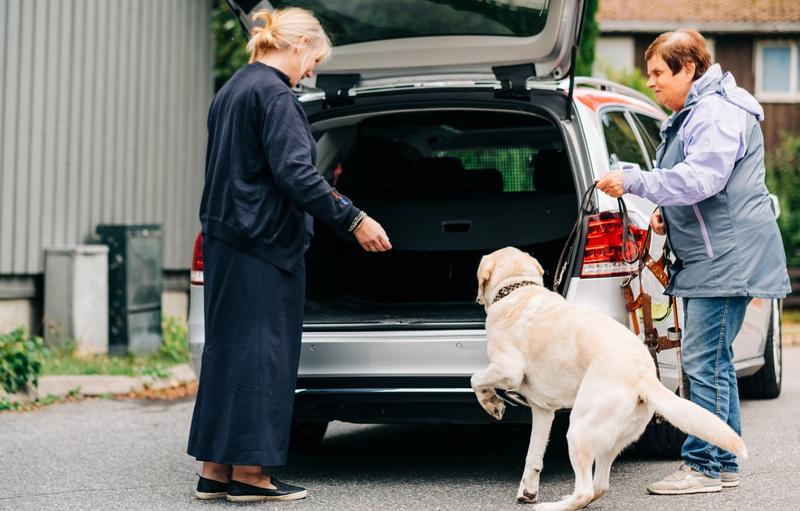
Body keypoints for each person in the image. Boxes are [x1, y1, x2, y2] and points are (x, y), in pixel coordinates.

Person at [187, 7, 392, 503]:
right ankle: (251, 476)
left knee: (228, 353)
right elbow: (298, 174)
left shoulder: (234, 88)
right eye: (313, 61)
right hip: (262, 244)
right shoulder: (275, 95)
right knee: (262, 357)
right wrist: (354, 218)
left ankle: (215, 470)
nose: (311, 73)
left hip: (226, 240)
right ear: (298, 45)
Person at [596, 29, 790, 495]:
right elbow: (704, 189)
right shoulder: (702, 111)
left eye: (659, 73)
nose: (651, 83)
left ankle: (703, 464)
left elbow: (703, 177)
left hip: (726, 257)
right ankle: (722, 461)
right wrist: (668, 213)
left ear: (689, 68)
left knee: (704, 362)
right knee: (715, 361)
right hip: (717, 253)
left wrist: (636, 181)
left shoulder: (717, 112)